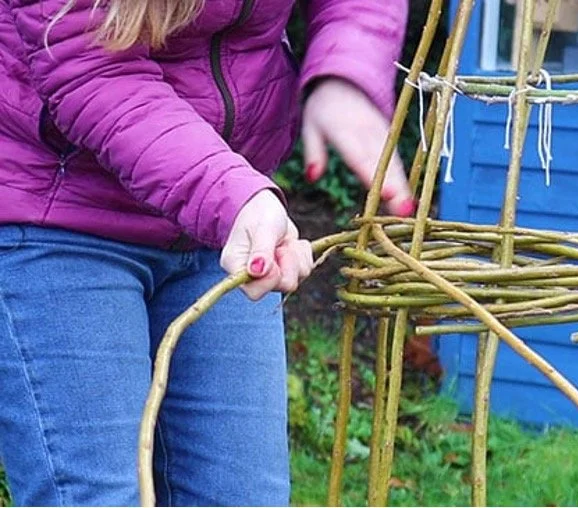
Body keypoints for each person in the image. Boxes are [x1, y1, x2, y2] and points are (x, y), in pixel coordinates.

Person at [0, 0, 412, 504]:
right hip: (58, 213)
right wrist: (228, 193)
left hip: (222, 228)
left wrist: (345, 68)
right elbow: (88, 59)